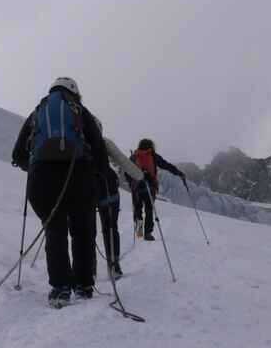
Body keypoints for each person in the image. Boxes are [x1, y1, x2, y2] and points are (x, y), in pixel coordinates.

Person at [12, 77, 110, 306]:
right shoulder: (79, 110)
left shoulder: (38, 111)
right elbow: (98, 147)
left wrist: (36, 166)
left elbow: (18, 154)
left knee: (55, 230)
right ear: (74, 92)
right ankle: (84, 285)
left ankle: (60, 288)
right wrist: (98, 175)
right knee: (82, 231)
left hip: (42, 180)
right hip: (78, 175)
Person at [98, 139, 149, 276]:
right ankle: (141, 234)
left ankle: (88, 271)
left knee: (139, 211)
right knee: (143, 211)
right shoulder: (102, 141)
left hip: (87, 189)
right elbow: (123, 163)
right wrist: (140, 176)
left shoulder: (75, 141)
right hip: (111, 188)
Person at [130, 137, 185, 240]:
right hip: (150, 187)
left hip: (137, 187)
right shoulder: (153, 156)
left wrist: (131, 184)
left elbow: (127, 172)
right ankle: (148, 233)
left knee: (137, 208)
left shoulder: (134, 156)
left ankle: (139, 230)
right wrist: (178, 173)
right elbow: (166, 165)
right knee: (149, 209)